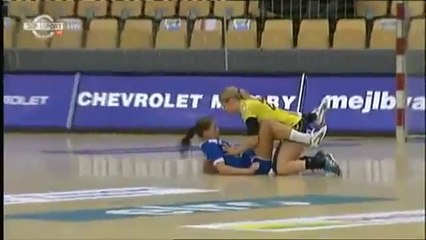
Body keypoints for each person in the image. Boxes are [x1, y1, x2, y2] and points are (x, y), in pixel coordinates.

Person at [180, 117, 341, 176]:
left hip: (256, 157)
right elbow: (222, 168)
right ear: (205, 132)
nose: (219, 129)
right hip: (258, 163)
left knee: (268, 126)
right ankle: (306, 127)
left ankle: (306, 133)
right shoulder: (209, 145)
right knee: (267, 125)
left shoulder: (216, 144)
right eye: (215, 128)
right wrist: (247, 171)